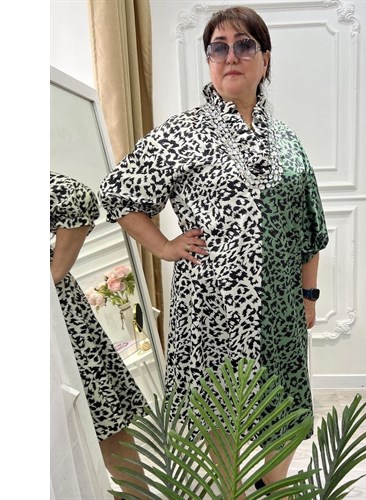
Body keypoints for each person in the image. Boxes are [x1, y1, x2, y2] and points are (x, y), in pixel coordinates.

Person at [99, 5, 328, 496]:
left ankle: (271, 489)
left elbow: (311, 227)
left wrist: (308, 294)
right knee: (220, 409)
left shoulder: (288, 140)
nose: (230, 57)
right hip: (212, 309)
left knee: (285, 407)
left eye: (244, 45)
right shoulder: (183, 131)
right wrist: (164, 246)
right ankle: (232, 490)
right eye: (218, 48)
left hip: (280, 310)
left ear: (265, 59)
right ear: (208, 60)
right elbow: (119, 195)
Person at [50, 171, 149, 498]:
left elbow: (74, 196)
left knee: (101, 412)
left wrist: (53, 275)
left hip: (54, 316)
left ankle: (139, 496)